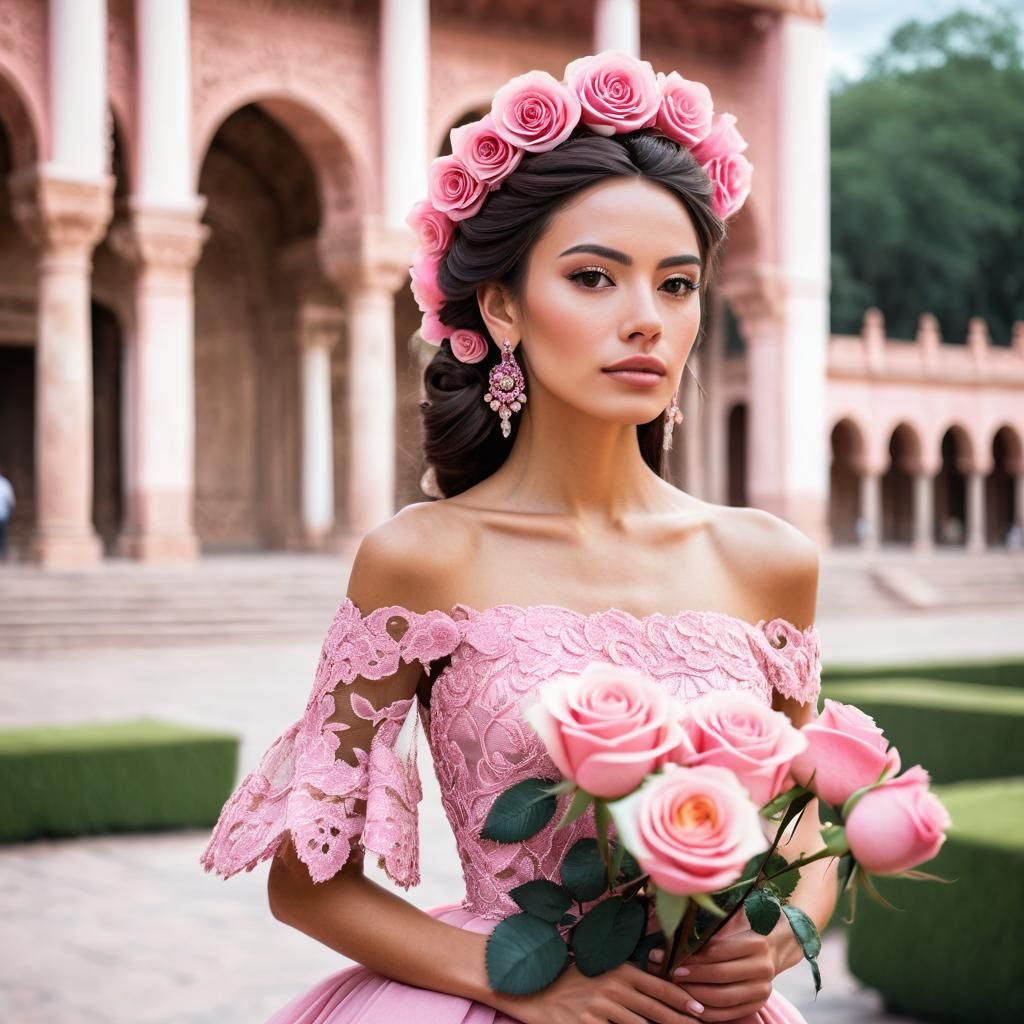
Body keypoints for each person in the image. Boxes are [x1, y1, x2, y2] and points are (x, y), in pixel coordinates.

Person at [202, 51, 835, 1024]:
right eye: (593, 277)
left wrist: (781, 931)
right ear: (501, 305)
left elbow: (802, 832)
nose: (645, 321)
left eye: (676, 285)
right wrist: (521, 975)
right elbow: (309, 881)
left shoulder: (768, 561)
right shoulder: (424, 558)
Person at [0, 466, 15, 561]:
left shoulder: (5, 484)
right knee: (3, 535)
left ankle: (3, 554)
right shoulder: (5, 484)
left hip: (3, 515)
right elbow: (12, 501)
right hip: (3, 515)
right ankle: (3, 554)